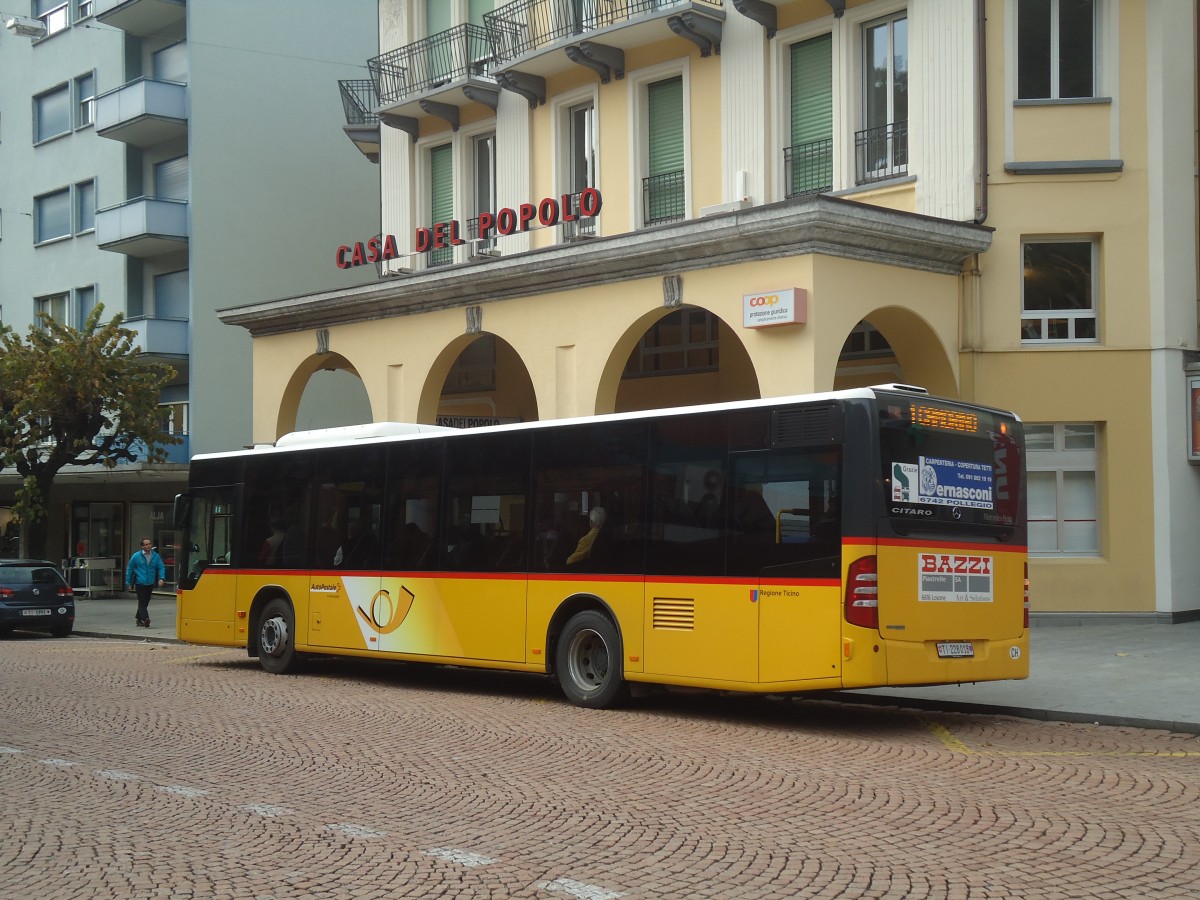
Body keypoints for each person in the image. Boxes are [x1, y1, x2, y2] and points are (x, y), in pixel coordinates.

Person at [125, 537, 165, 628]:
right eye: (146, 544)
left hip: (150, 582)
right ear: (142, 546)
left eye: (149, 544)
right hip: (140, 582)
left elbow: (161, 567)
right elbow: (130, 569)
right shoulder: (136, 556)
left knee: (146, 601)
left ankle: (138, 619)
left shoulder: (155, 556)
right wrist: (128, 582)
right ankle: (145, 618)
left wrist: (162, 578)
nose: (148, 546)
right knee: (142, 601)